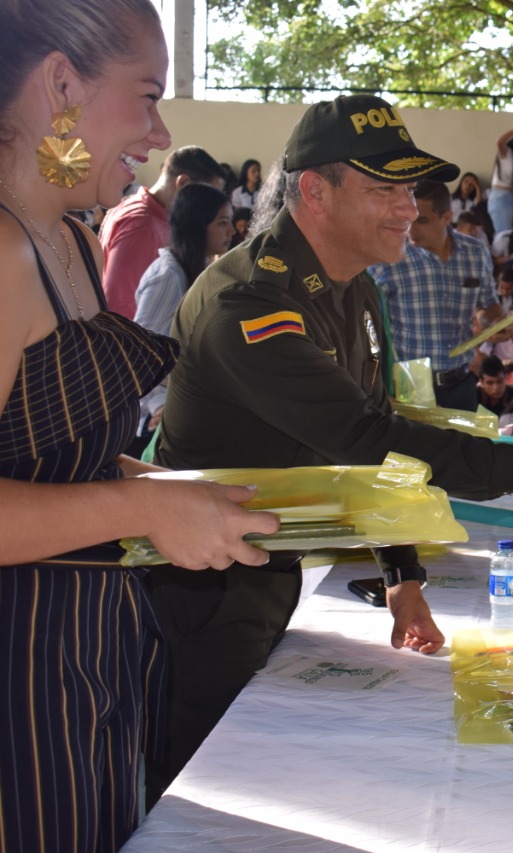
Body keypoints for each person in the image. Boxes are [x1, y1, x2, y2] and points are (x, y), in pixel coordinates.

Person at [147, 94, 513, 801]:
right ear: (313, 191)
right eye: (383, 188)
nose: (407, 206)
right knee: (205, 796)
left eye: (410, 188)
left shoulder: (355, 288)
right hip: (199, 591)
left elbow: (374, 427)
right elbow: (366, 439)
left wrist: (402, 576)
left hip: (268, 571)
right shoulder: (249, 301)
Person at [0, 1, 281, 848]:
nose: (160, 133)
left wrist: (185, 492)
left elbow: (65, 461)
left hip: (90, 657)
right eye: (147, 95)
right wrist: (148, 512)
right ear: (59, 84)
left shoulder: (74, 245)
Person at [367, 178, 500, 411]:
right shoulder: (389, 258)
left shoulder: (475, 253)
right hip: (411, 384)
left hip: (461, 382)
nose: (411, 230)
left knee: (464, 448)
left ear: (447, 217)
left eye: (422, 221)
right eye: (407, 220)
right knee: (414, 448)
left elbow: (489, 306)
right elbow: (368, 324)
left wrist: (497, 324)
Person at [132, 182, 235, 449]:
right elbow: (138, 354)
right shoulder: (168, 276)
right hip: (153, 420)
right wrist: (159, 406)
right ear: (197, 227)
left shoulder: (199, 269)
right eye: (222, 223)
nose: (231, 231)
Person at [98, 144, 225, 318]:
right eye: (209, 201)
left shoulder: (138, 209)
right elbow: (120, 305)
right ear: (183, 184)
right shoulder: (143, 225)